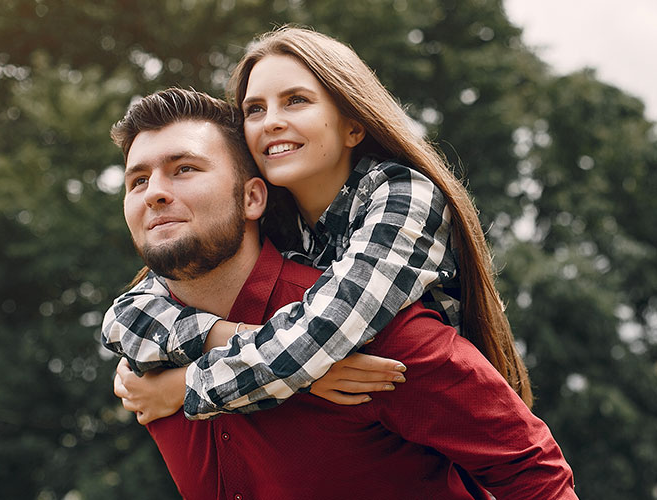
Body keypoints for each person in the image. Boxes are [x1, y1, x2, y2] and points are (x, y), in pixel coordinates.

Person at [111, 87, 577, 499]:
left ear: (253, 198)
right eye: (137, 180)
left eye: (184, 168)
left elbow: (534, 474)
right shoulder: (146, 359)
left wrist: (195, 385)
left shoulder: (375, 335)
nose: (155, 193)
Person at [101, 26, 532, 421]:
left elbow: (319, 337)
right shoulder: (269, 215)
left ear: (354, 125)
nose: (270, 121)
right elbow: (126, 317)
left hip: (444, 437)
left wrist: (180, 387)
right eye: (254, 109)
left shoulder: (404, 196)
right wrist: (246, 343)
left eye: (296, 101)